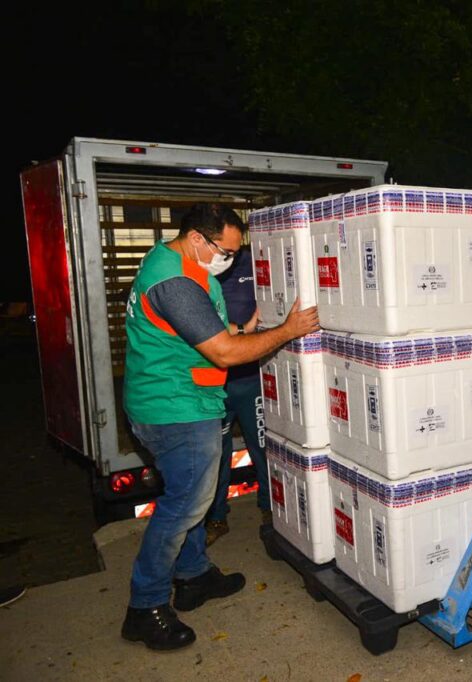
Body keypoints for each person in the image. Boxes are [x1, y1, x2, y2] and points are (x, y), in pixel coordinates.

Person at [121, 203, 319, 651]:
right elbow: (225, 353)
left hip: (178, 400)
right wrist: (287, 330)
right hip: (175, 408)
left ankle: (193, 577)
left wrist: (242, 326)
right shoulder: (175, 281)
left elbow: (201, 329)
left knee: (192, 495)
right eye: (225, 251)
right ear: (197, 239)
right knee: (184, 506)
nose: (230, 260)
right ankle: (144, 606)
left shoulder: (173, 261)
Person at [205, 245, 270, 546]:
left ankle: (272, 511)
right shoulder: (200, 268)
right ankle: (216, 517)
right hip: (213, 382)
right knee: (215, 455)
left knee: (262, 449)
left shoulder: (254, 261)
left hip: (249, 381)